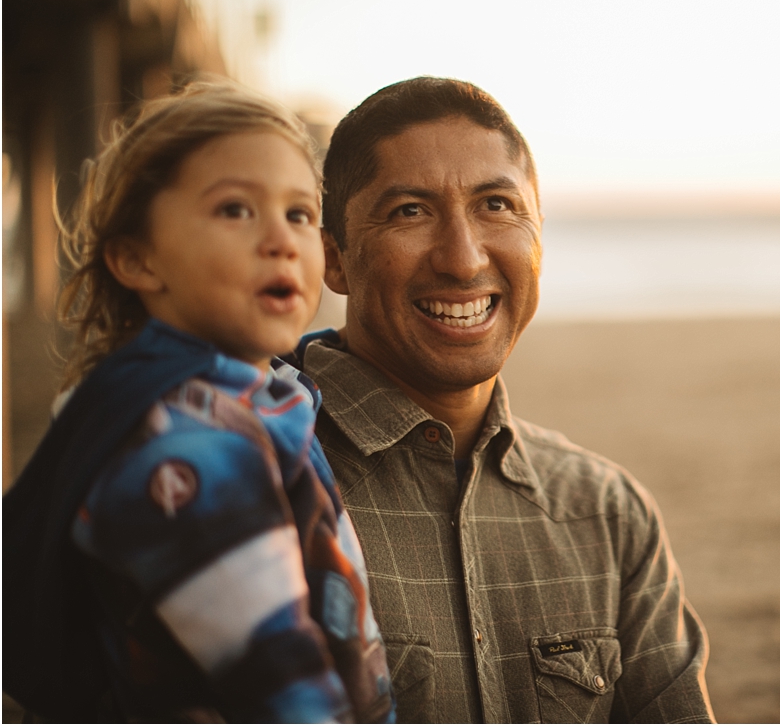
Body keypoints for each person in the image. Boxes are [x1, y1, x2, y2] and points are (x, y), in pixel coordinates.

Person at [294, 76, 715, 723]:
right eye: (410, 210)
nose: (464, 260)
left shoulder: (605, 514)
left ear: (539, 238)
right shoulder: (260, 475)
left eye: (496, 205)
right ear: (336, 259)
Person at [3, 83, 394, 723]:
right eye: (236, 209)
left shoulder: (234, 393)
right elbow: (279, 679)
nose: (282, 240)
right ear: (138, 258)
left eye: (300, 214)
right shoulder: (183, 436)